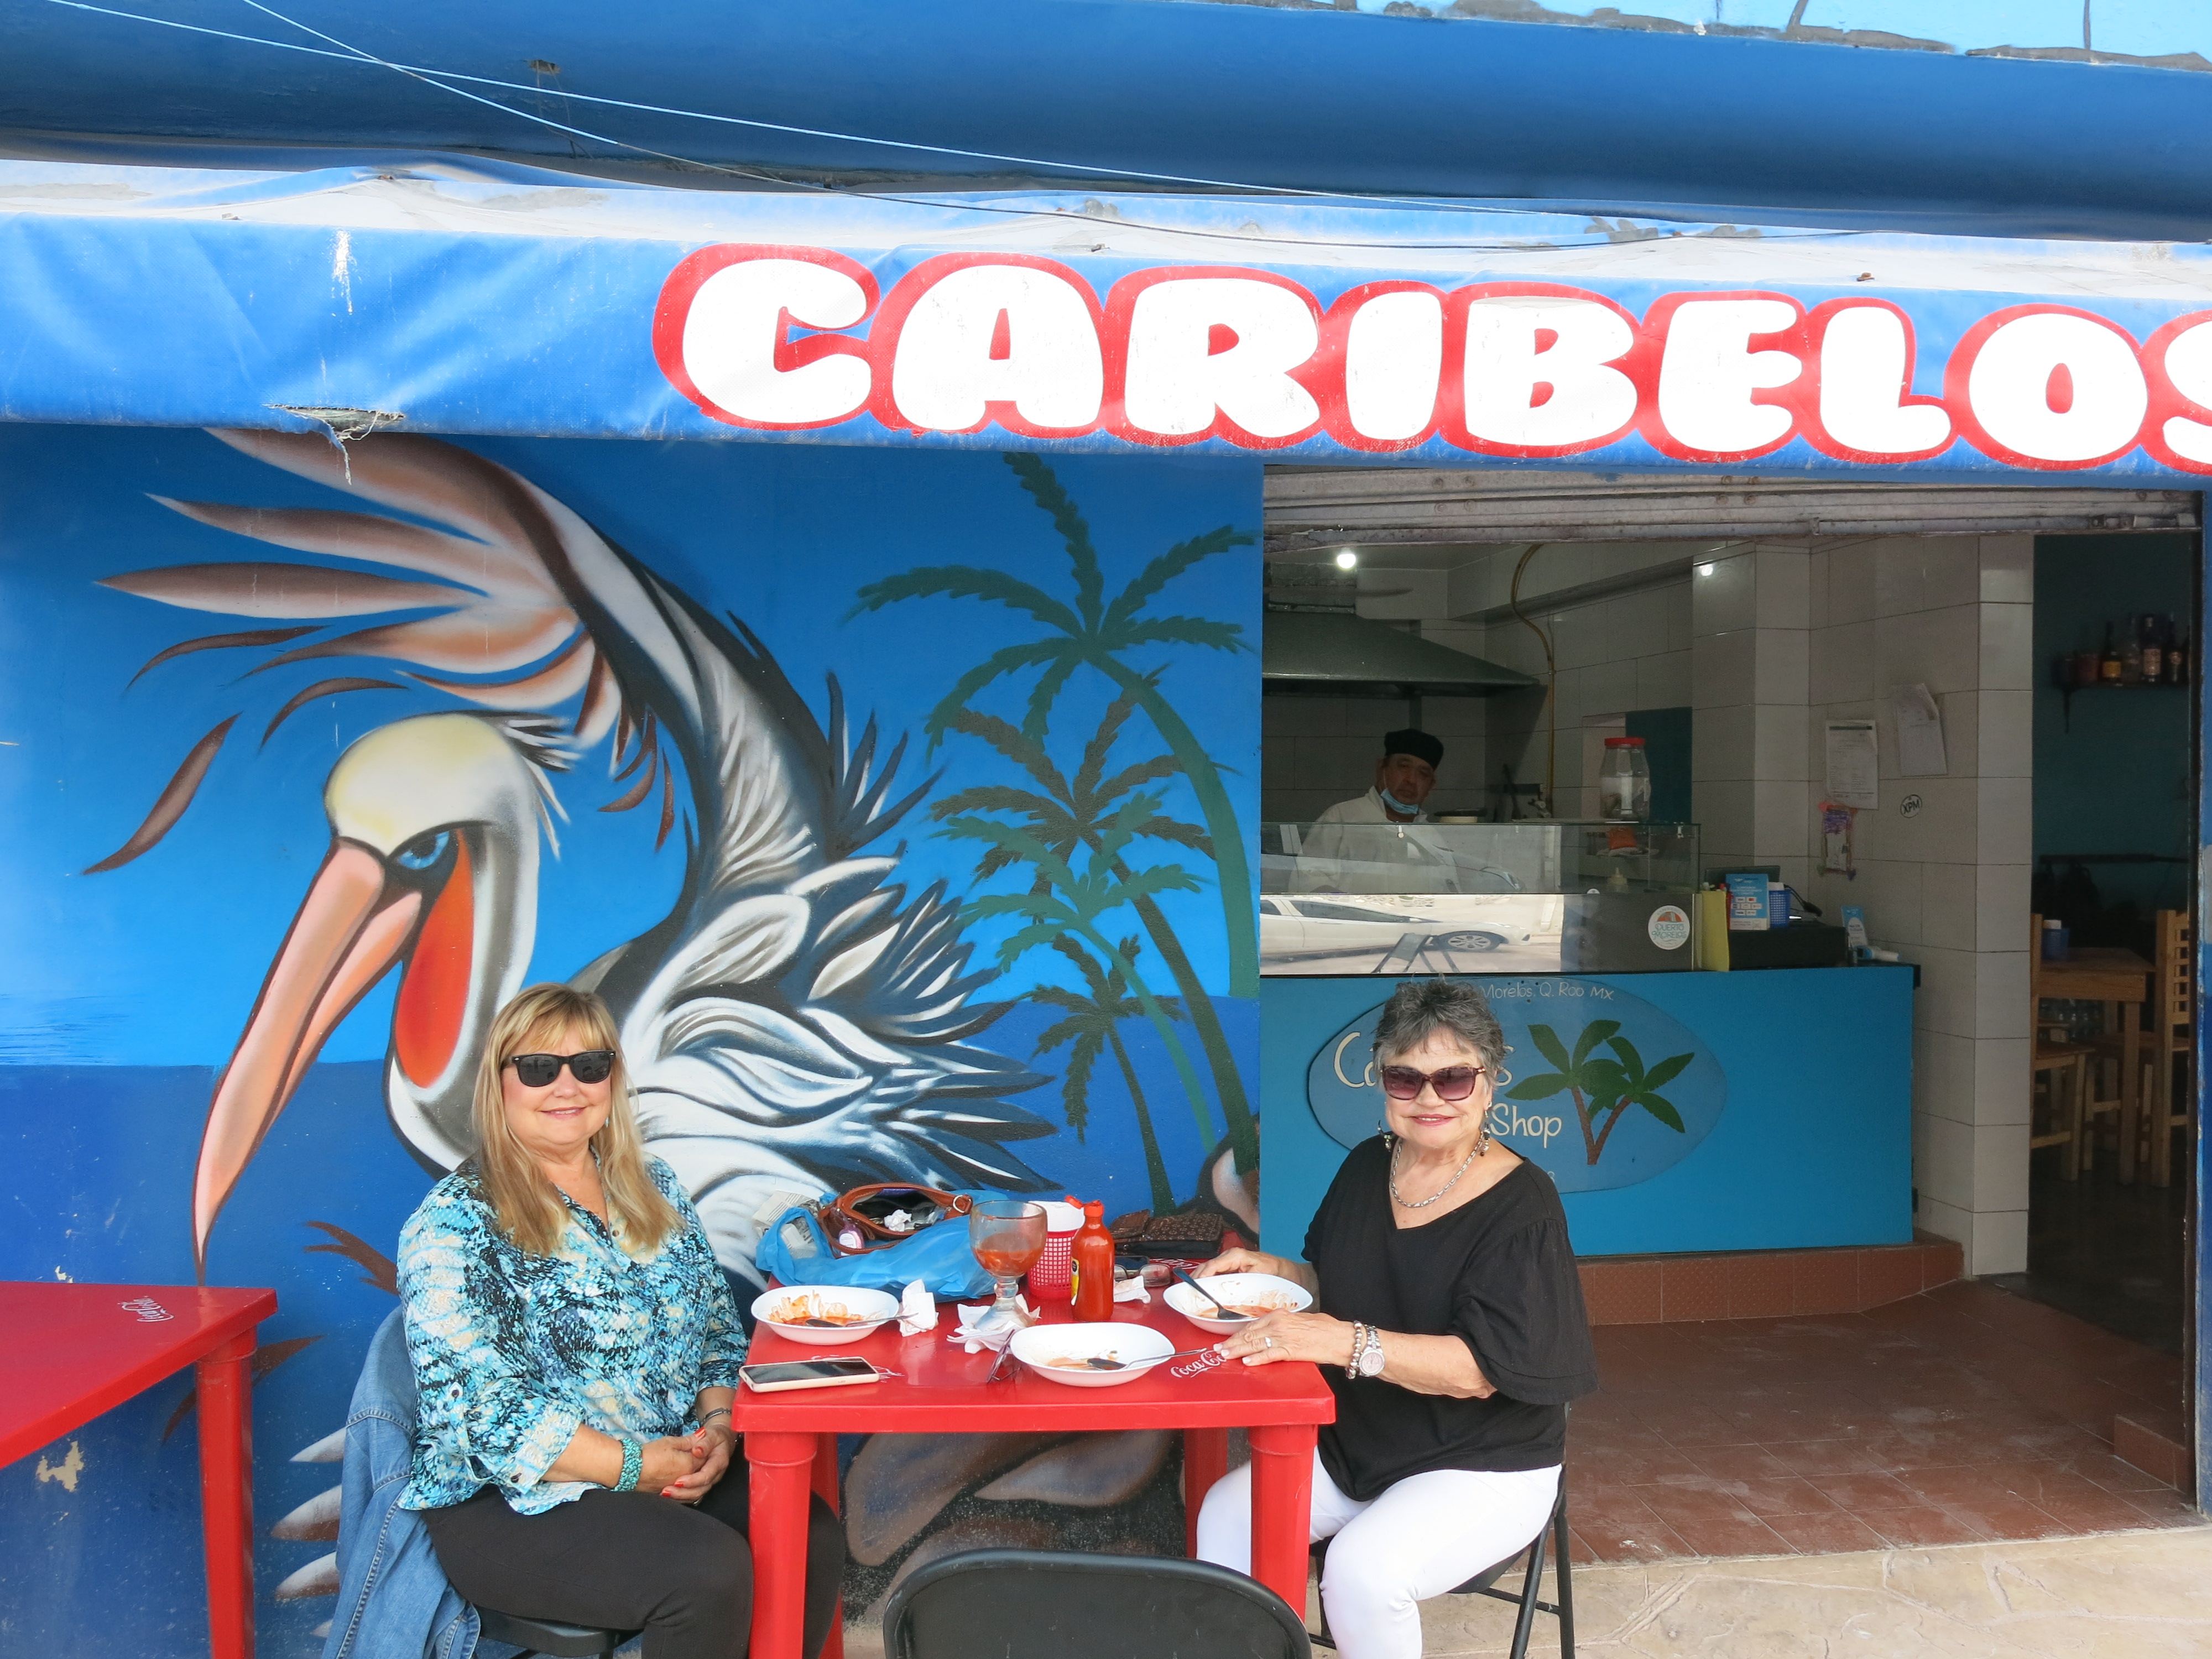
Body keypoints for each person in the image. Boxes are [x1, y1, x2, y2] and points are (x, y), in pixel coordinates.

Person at [397, 983, 844, 1659]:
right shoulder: (454, 1223)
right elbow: (484, 1414)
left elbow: (718, 1335)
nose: (567, 1086)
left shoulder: (652, 1186)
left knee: (805, 1537)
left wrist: (719, 1430)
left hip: (668, 1455)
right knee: (706, 1575)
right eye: (538, 1067)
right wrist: (632, 1467)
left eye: (589, 1065)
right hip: (513, 1499)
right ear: (499, 1084)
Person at [1193, 978, 1597, 1659]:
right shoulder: (1367, 1165)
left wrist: (1343, 1342)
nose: (1429, 1099)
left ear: (1490, 1084)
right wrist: (1278, 1273)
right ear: (1382, 1083)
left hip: (1482, 1461)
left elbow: (1479, 1371)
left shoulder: (1521, 1205)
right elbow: (1339, 1282)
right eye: (1406, 1079)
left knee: (1363, 1573)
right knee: (1229, 1514)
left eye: (1454, 1079)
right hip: (1360, 1441)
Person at [1317, 728, 1444, 826]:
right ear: (1381, 768)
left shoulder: (1432, 834)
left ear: (1431, 785)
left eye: (1423, 773)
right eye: (1404, 767)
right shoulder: (1341, 819)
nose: (1411, 780)